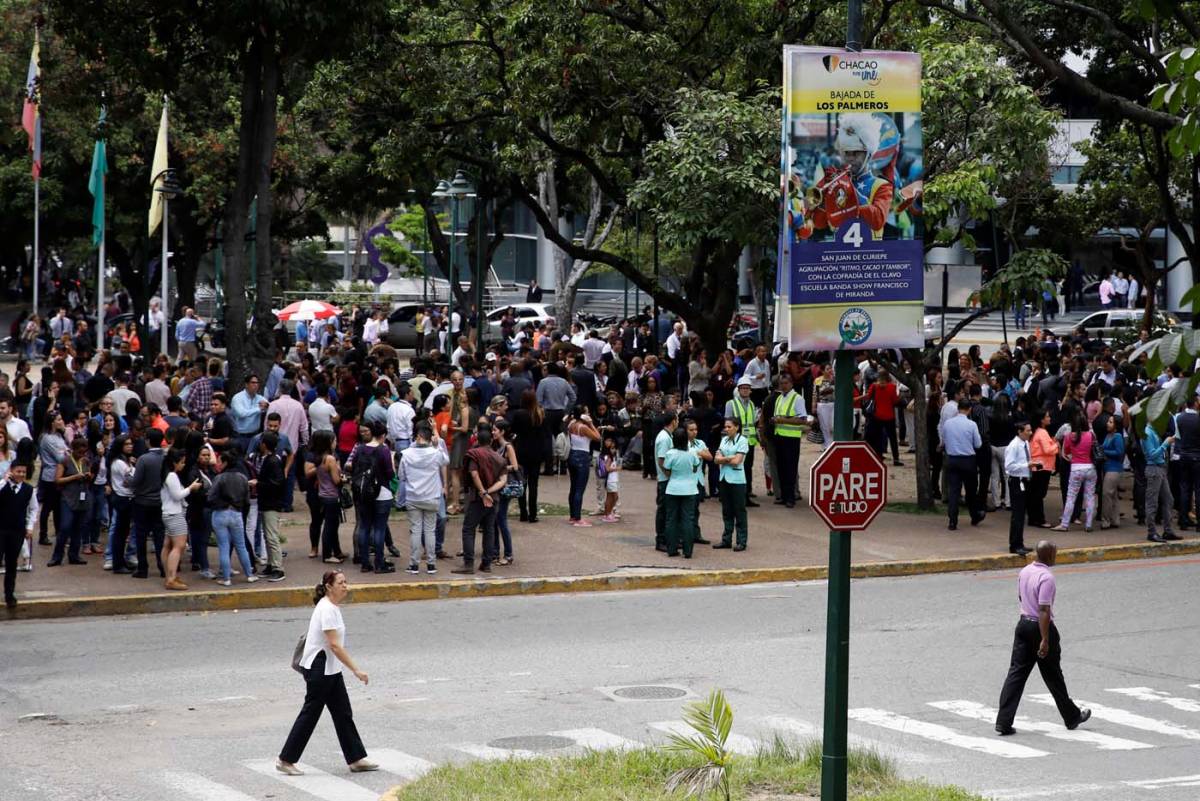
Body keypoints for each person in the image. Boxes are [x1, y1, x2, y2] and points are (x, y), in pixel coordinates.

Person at [277, 570, 378, 776]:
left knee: (343, 713)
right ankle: (285, 759)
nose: (345, 586)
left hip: (330, 668)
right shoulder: (327, 609)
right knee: (310, 714)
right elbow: (334, 645)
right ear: (329, 586)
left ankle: (356, 758)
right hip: (320, 668)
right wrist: (356, 670)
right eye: (341, 583)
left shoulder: (332, 606)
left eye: (345, 582)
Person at [994, 541, 1091, 736]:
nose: (1056, 556)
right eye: (1054, 553)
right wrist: (1045, 639)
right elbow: (1044, 610)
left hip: (1023, 625)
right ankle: (1072, 717)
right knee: (1053, 675)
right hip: (1040, 627)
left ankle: (1003, 721)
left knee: (1016, 674)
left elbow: (1021, 598)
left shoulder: (1025, 571)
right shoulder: (1047, 577)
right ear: (1047, 555)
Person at [451, 427, 508, 575]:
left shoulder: (474, 454)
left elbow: (474, 474)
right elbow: (503, 481)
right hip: (494, 498)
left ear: (477, 441)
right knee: (489, 530)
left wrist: (483, 492)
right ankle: (486, 563)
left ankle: (468, 564)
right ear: (490, 441)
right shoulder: (499, 458)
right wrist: (490, 492)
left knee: (469, 529)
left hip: (477, 498)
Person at [399, 421, 448, 574]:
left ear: (418, 437)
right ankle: (431, 564)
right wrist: (437, 444)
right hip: (432, 497)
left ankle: (414, 564)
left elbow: (401, 476)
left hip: (413, 497)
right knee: (430, 531)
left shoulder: (406, 454)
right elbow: (446, 460)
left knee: (415, 530)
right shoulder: (435, 453)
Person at [208, 448, 257, 586]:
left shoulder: (219, 478)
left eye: (220, 461)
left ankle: (226, 578)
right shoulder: (242, 478)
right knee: (241, 546)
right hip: (237, 514)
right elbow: (247, 500)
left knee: (224, 546)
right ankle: (249, 574)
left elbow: (210, 496)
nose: (218, 463)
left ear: (225, 462)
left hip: (220, 514)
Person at [160, 446, 202, 590]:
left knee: (168, 545)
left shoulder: (166, 474)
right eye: (182, 462)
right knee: (179, 546)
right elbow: (177, 495)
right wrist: (191, 488)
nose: (183, 465)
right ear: (174, 462)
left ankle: (169, 575)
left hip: (168, 513)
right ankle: (171, 578)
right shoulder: (171, 476)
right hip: (174, 514)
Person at [767, 373, 810, 508]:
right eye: (781, 383)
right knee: (781, 468)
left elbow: (802, 419)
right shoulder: (779, 398)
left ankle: (790, 498)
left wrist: (782, 420)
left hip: (791, 438)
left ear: (791, 383)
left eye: (786, 383)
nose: (783, 386)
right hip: (779, 435)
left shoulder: (797, 398)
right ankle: (784, 496)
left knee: (790, 468)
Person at [49, 435, 93, 567]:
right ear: (73, 449)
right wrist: (74, 477)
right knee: (65, 527)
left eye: (84, 451)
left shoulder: (85, 461)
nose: (82, 454)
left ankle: (74, 555)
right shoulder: (65, 461)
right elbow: (57, 480)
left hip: (82, 497)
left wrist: (89, 476)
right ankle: (57, 556)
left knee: (78, 528)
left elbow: (89, 476)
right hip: (68, 498)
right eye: (79, 451)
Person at [942, 398, 985, 530]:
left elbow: (944, 439)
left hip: (952, 458)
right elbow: (978, 444)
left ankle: (952, 520)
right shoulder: (971, 425)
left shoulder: (948, 424)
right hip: (967, 459)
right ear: (969, 409)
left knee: (954, 490)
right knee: (971, 490)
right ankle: (974, 514)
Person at [0, 461, 38, 608]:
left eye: (23, 472)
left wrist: (29, 527)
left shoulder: (29, 490)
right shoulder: (3, 485)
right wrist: (5, 480)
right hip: (1, 528)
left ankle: (9, 594)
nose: (21, 474)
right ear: (12, 471)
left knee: (11, 563)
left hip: (17, 530)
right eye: (18, 471)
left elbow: (33, 509)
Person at [1053, 413, 1097, 532]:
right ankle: (1088, 524)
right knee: (1090, 497)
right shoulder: (1091, 435)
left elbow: (1066, 452)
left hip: (1076, 468)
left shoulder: (1068, 436)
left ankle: (1065, 524)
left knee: (1071, 497)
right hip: (1090, 468)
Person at [662, 427, 700, 558]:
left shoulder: (670, 454)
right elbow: (695, 469)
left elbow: (666, 470)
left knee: (671, 519)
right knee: (688, 519)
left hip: (673, 488)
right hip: (690, 489)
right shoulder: (693, 453)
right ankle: (688, 550)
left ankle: (672, 549)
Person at [714, 416, 749, 551]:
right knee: (726, 510)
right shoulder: (724, 440)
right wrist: (729, 458)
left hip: (737, 480)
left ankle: (741, 540)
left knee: (739, 511)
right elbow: (716, 460)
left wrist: (724, 459)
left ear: (737, 427)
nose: (726, 429)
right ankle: (726, 539)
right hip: (724, 478)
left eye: (729, 427)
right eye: (726, 427)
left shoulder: (743, 441)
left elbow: (737, 461)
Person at [1141, 418, 1179, 543]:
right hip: (1154, 469)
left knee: (1168, 499)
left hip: (1160, 469)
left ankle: (1167, 531)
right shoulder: (1147, 433)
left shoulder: (1153, 431)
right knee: (1152, 502)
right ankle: (1151, 532)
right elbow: (1152, 455)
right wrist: (1165, 444)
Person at [564, 406, 601, 526]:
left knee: (573, 487)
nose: (589, 414)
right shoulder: (583, 427)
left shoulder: (571, 424)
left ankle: (572, 516)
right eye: (587, 412)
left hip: (572, 455)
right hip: (582, 456)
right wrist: (591, 424)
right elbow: (598, 437)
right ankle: (578, 518)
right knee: (580, 489)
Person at [724, 378, 759, 504]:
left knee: (747, 468)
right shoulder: (731, 404)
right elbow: (727, 423)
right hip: (736, 442)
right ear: (738, 390)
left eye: (747, 388)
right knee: (734, 467)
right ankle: (732, 496)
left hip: (749, 441)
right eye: (743, 388)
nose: (745, 390)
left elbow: (753, 423)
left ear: (750, 391)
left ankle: (746, 495)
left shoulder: (751, 404)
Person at [1003, 422, 1035, 557]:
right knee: (1017, 514)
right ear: (1020, 431)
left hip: (1024, 479)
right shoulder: (1014, 446)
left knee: (1022, 514)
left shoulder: (1025, 444)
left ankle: (1019, 542)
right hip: (1017, 481)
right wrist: (1025, 465)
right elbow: (1009, 466)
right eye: (1028, 430)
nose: (1030, 433)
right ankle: (1014, 544)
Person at [1027, 410, 1058, 529]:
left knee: (1034, 493)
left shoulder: (1035, 432)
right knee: (1039, 494)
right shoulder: (1042, 432)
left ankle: (1033, 518)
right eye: (1047, 416)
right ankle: (1039, 519)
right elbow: (1048, 450)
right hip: (1043, 466)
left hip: (1037, 466)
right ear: (1042, 420)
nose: (1049, 418)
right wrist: (1056, 444)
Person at [1100, 416, 1125, 530]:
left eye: (1111, 422)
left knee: (1106, 494)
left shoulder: (1118, 436)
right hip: (1107, 468)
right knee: (1113, 495)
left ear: (1116, 425)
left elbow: (1119, 452)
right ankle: (1115, 520)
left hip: (1114, 469)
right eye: (1108, 421)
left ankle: (1106, 520)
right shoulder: (1108, 435)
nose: (1107, 423)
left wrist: (1104, 451)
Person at [597, 434, 621, 524]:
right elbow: (607, 468)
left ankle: (608, 513)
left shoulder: (612, 455)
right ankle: (608, 513)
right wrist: (617, 469)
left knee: (611, 497)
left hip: (613, 479)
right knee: (613, 497)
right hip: (611, 479)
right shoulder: (608, 457)